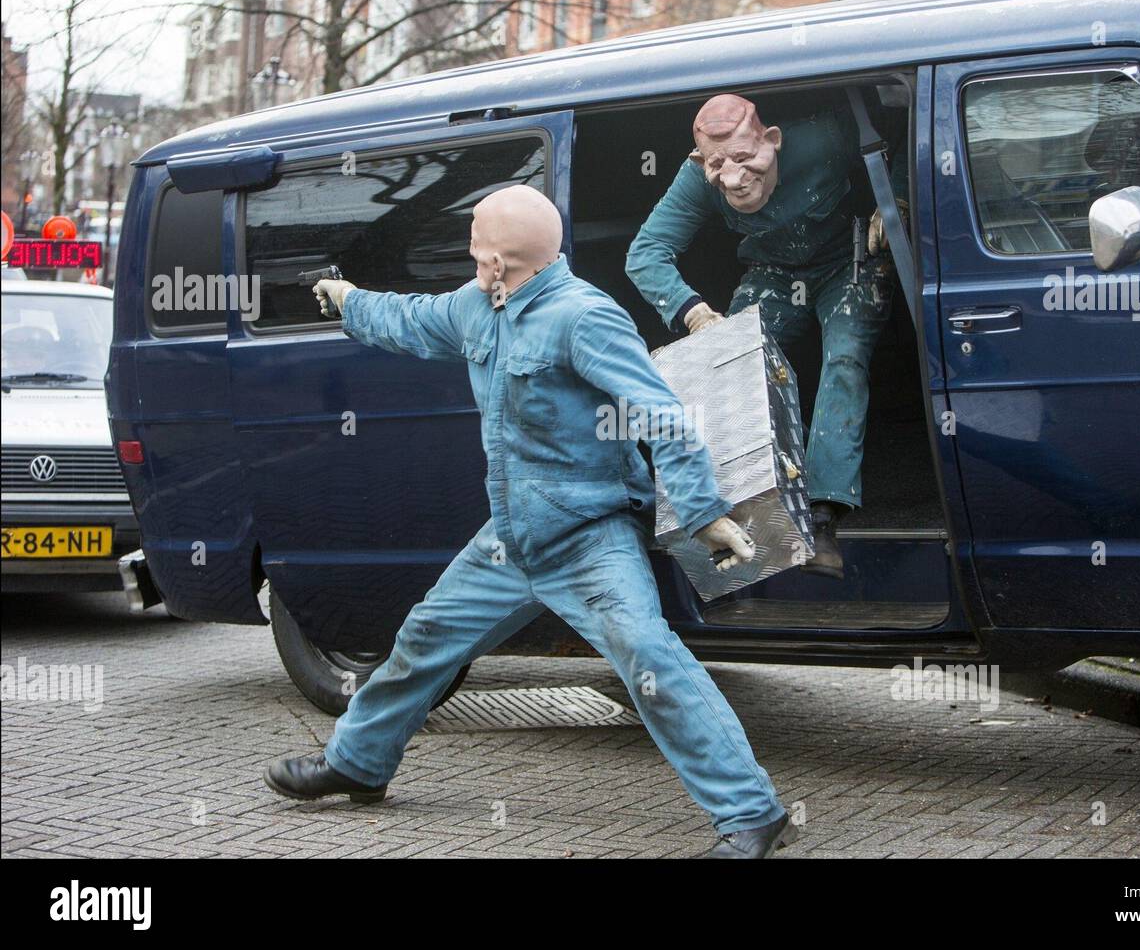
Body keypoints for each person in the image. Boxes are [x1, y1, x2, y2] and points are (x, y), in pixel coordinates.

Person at [264, 184, 797, 859]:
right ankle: (358, 762)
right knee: (425, 637)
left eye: (475, 245)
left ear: (498, 263)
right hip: (511, 540)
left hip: (589, 536)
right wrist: (350, 302)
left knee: (649, 656)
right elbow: (412, 318)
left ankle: (751, 812)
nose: (470, 255)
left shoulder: (584, 318)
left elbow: (661, 412)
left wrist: (704, 512)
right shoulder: (476, 305)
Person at [626, 93, 907, 580]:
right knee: (731, 368)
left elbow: (900, 130)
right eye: (717, 164)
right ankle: (736, 514)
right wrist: (693, 313)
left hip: (845, 259)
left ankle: (822, 518)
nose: (732, 177)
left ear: (772, 141)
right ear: (699, 160)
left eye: (743, 158)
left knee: (845, 358)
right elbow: (646, 251)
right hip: (773, 270)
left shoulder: (825, 138)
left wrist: (896, 197)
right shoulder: (697, 179)